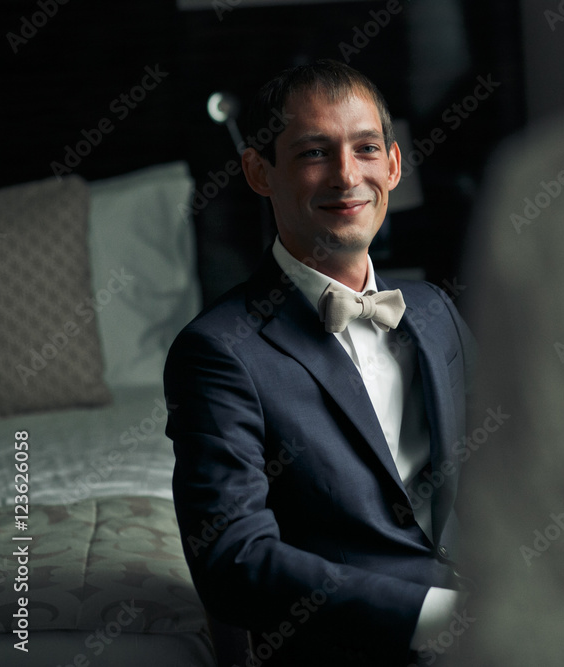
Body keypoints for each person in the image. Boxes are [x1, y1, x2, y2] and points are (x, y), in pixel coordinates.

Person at [164, 60, 474, 667]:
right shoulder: (218, 351)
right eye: (313, 153)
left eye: (365, 150)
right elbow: (232, 559)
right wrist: (442, 620)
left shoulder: (436, 309)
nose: (346, 175)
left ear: (394, 165)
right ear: (259, 171)